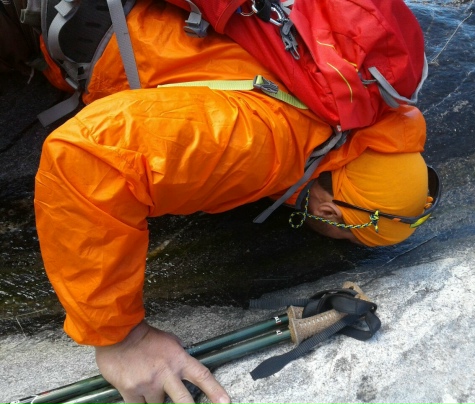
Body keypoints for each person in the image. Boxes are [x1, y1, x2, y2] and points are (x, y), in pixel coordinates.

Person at [34, 0, 431, 402]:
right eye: (346, 235)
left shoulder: (358, 96)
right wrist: (122, 338)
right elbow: (86, 158)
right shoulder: (268, 144)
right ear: (328, 211)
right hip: (79, 19)